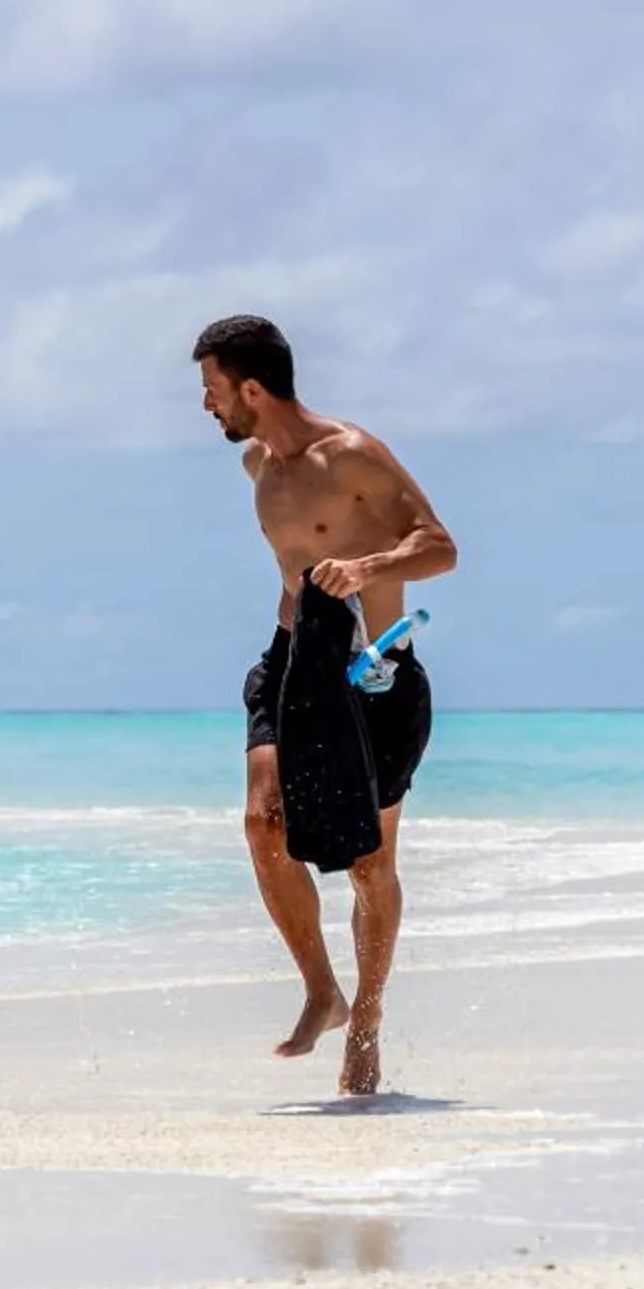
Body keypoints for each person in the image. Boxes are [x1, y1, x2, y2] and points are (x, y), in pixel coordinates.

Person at [194, 316, 457, 1098]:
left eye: (211, 391)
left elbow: (441, 546)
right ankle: (321, 990)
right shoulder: (255, 467)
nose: (206, 407)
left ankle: (366, 1027)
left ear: (250, 387)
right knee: (261, 822)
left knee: (370, 868)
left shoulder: (352, 454)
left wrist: (369, 562)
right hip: (290, 665)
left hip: (373, 675)